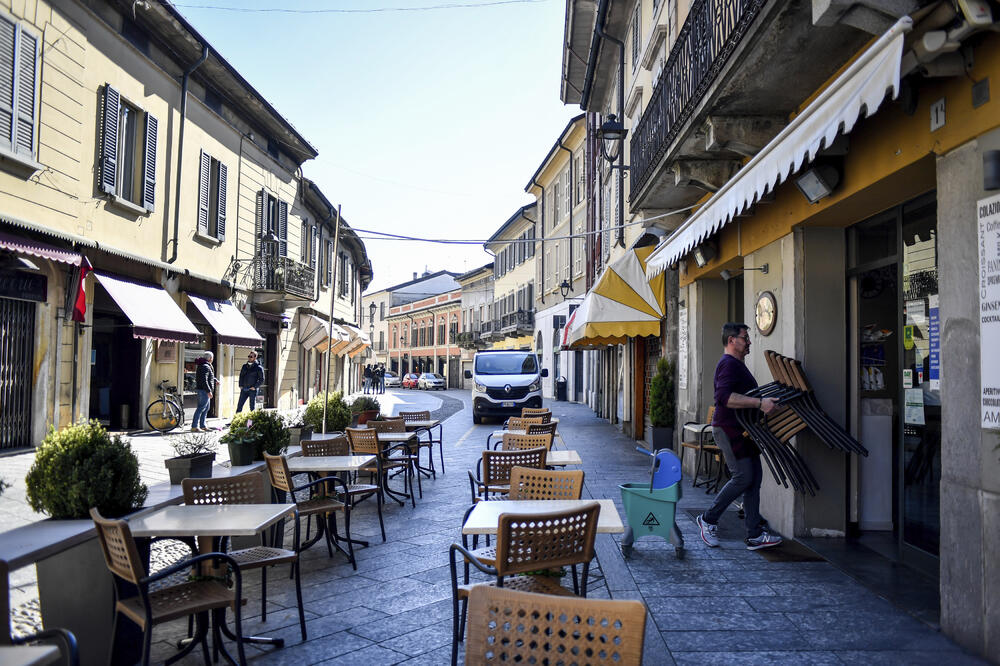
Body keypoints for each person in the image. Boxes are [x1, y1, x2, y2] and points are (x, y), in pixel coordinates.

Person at [696, 323, 783, 550]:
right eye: (745, 337)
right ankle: (708, 519)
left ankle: (754, 534)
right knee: (743, 477)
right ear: (732, 340)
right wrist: (759, 403)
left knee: (754, 479)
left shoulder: (736, 365)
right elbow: (724, 397)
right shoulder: (728, 364)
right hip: (730, 429)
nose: (749, 341)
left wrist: (767, 403)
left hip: (745, 431)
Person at [192, 350, 216, 432]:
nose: (212, 359)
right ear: (210, 358)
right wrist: (208, 391)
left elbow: (208, 377)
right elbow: (204, 380)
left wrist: (215, 380)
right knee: (201, 408)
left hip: (203, 390)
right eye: (212, 358)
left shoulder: (204, 365)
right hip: (203, 391)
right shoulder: (205, 366)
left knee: (206, 408)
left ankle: (202, 425)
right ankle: (194, 426)